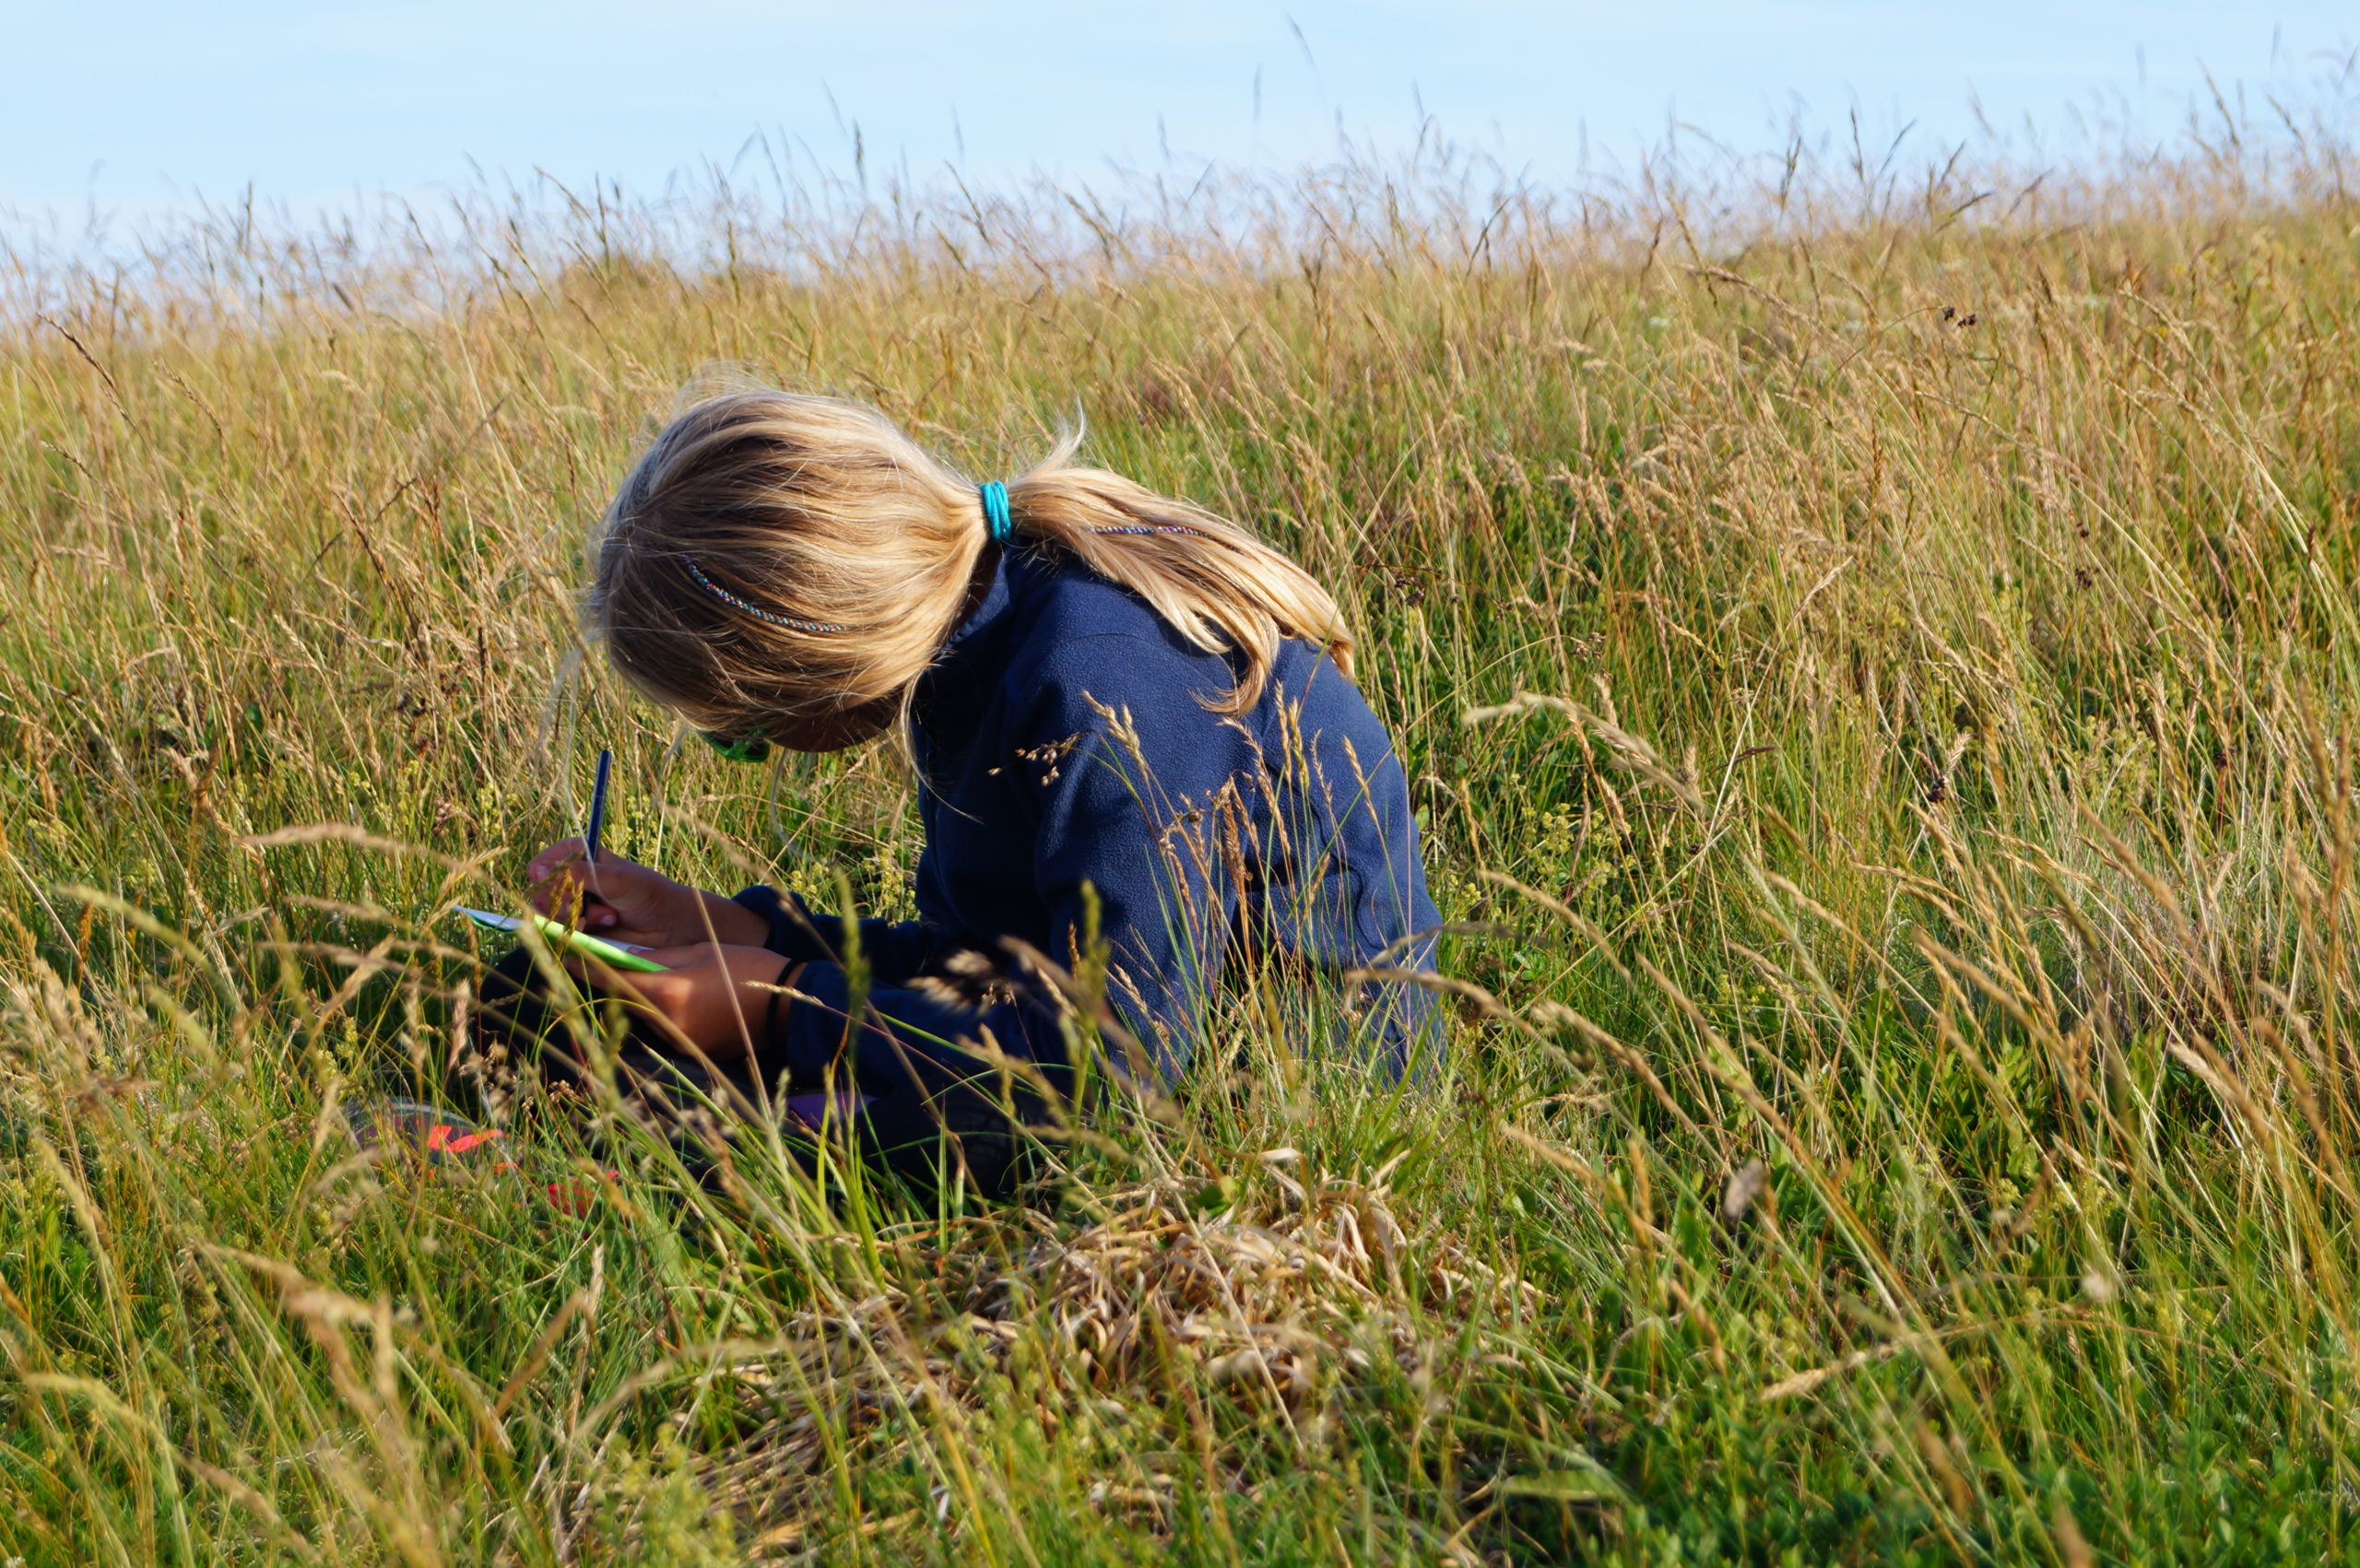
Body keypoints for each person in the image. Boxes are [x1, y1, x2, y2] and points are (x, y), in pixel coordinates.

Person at [506, 388, 1441, 1197]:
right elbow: (984, 967)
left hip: (1258, 1118)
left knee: (734, 1133)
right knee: (557, 1004)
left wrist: (786, 1002)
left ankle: (553, 1171)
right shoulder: (975, 657)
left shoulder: (1099, 684)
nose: (754, 752)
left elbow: (1111, 1071)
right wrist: (740, 934)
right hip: (1116, 1064)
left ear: (821, 669)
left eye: (741, 736)